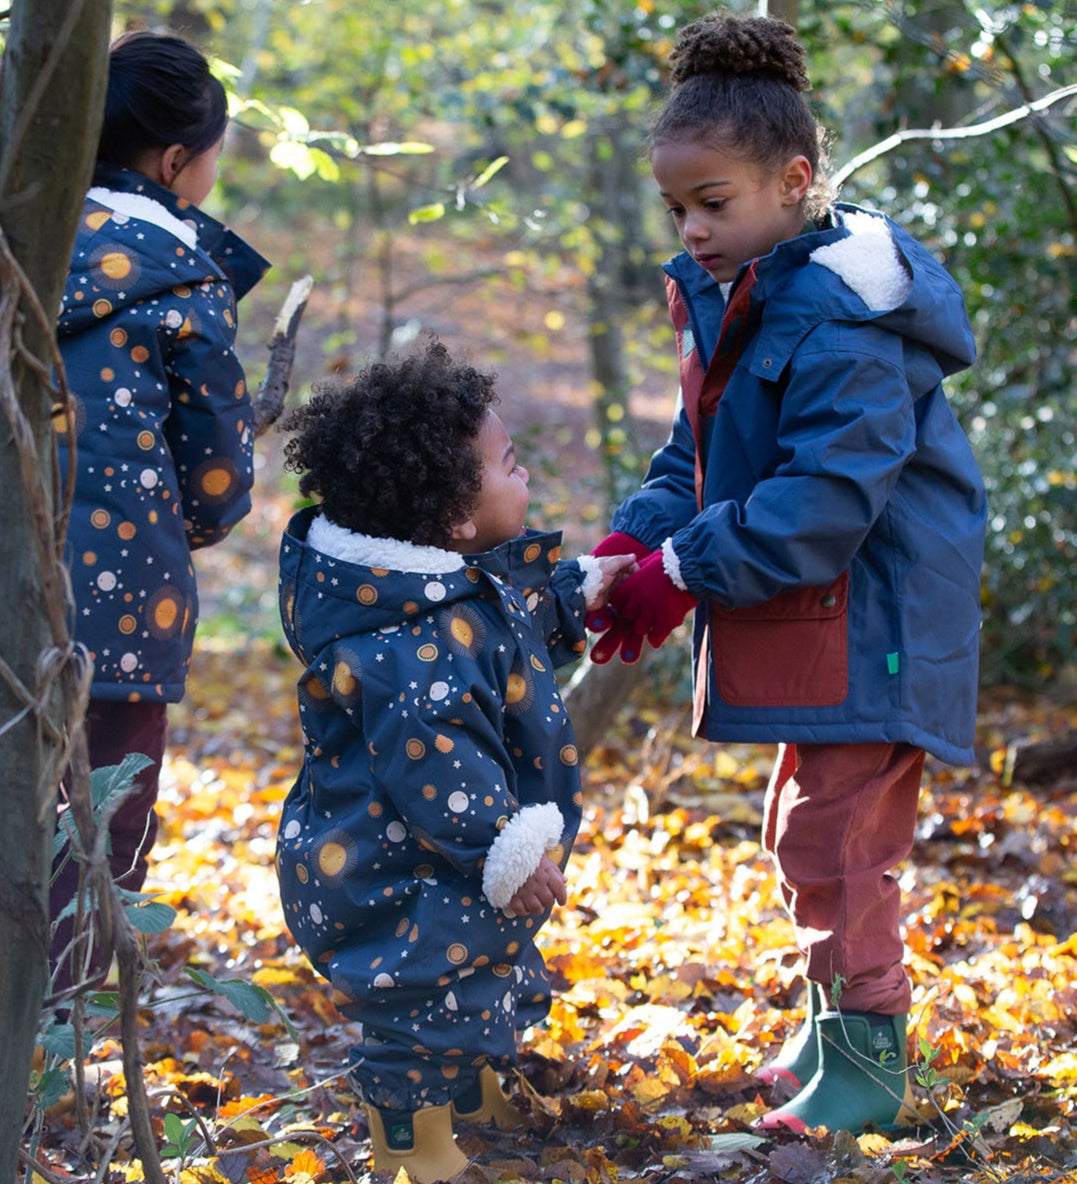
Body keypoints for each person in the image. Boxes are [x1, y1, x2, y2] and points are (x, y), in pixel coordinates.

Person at [586, 9, 986, 1135]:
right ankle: (828, 1030)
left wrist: (683, 570)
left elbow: (823, 500)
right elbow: (701, 453)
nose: (692, 227)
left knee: (839, 839)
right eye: (676, 207)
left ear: (794, 180)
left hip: (879, 612)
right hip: (822, 613)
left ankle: (868, 1057)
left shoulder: (845, 318)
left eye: (713, 203)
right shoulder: (744, 295)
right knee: (800, 827)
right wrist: (636, 546)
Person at [275, 338, 635, 1183]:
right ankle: (412, 1147)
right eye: (509, 465)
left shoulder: (430, 593)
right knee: (424, 997)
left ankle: (472, 1095)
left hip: (434, 853)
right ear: (455, 519)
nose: (524, 475)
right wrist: (503, 851)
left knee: (478, 970)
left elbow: (501, 628)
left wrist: (577, 593)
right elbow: (439, 767)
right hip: (399, 861)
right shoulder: (412, 640)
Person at [51, 31, 270, 995]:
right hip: (122, 612)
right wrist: (190, 523)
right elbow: (217, 480)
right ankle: (56, 1028)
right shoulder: (185, 276)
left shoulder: (25, 242)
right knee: (98, 822)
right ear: (176, 161)